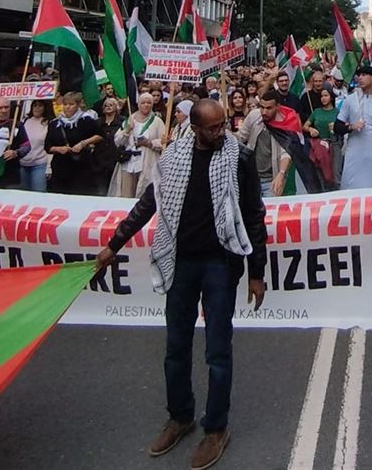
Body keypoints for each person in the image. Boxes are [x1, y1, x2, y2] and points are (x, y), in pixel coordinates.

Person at [94, 100, 267, 470]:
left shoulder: (241, 159)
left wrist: (256, 272)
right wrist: (114, 245)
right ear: (195, 127)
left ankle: (216, 428)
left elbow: (254, 215)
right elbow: (147, 205)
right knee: (176, 347)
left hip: (220, 264)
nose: (221, 133)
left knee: (218, 351)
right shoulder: (173, 158)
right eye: (213, 128)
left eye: (224, 126)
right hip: (181, 264)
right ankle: (180, 416)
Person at [333, 66, 372, 190]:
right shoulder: (350, 100)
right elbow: (337, 127)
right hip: (355, 152)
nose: (360, 78)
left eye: (364, 75)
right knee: (353, 187)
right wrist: (351, 127)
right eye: (359, 75)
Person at [235, 90, 293, 196]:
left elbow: (285, 153)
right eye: (262, 107)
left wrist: (281, 173)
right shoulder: (253, 116)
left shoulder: (285, 124)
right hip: (251, 177)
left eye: (268, 108)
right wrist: (226, 132)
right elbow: (241, 137)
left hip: (272, 180)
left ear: (277, 107)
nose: (264, 112)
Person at [47, 92, 104, 195]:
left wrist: (83, 143)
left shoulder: (86, 120)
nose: (67, 107)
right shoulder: (55, 123)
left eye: (71, 104)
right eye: (65, 104)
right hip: (61, 167)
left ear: (77, 105)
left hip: (81, 167)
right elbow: (47, 146)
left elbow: (100, 135)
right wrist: (58, 149)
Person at [111, 93, 165, 198]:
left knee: (143, 193)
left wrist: (149, 143)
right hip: (129, 163)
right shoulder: (129, 120)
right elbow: (118, 141)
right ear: (139, 104)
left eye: (149, 103)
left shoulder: (157, 121)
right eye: (143, 103)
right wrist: (127, 130)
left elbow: (163, 143)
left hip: (147, 161)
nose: (146, 105)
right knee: (126, 193)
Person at [19, 99, 54, 193]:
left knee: (38, 193)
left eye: (40, 106)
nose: (37, 108)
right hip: (23, 163)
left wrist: (49, 167)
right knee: (23, 195)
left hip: (40, 164)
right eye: (35, 105)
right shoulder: (24, 121)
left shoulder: (50, 123)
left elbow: (50, 146)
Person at [93, 97, 125, 196]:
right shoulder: (97, 122)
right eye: (106, 105)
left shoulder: (122, 121)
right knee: (100, 190)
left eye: (111, 105)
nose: (108, 107)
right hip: (99, 160)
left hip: (115, 159)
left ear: (116, 107)